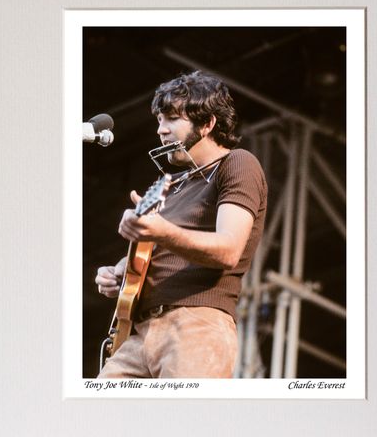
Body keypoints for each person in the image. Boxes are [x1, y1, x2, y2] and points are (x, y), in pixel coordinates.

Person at [95, 70, 267, 378]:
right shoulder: (170, 185)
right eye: (159, 121)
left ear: (207, 124)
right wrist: (120, 272)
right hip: (138, 334)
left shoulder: (237, 163)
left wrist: (161, 230)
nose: (160, 130)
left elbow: (228, 249)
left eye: (171, 119)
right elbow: (159, 249)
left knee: (181, 424)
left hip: (196, 325)